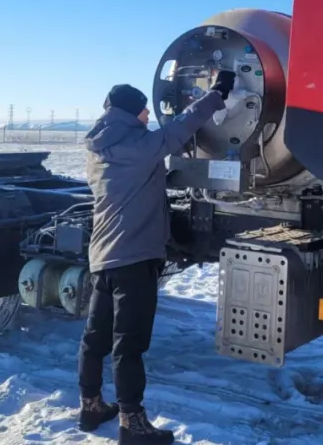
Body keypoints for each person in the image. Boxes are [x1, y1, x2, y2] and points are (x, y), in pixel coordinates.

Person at [77, 71, 235, 444]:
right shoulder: (139, 146)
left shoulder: (96, 148)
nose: (150, 116)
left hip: (103, 256)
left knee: (94, 339)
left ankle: (91, 405)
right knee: (128, 345)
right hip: (134, 259)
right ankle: (132, 424)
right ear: (132, 113)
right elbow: (182, 126)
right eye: (145, 111)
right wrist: (216, 94)